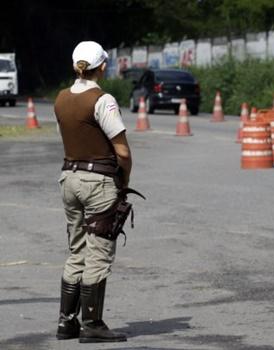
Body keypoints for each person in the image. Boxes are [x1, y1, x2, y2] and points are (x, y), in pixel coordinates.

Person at [54, 41, 131, 343]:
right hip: (97, 181)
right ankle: (92, 324)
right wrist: (123, 182)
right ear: (102, 67)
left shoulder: (60, 99)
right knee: (99, 251)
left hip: (69, 178)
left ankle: (66, 322)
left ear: (75, 66)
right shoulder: (102, 100)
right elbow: (122, 151)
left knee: (77, 250)